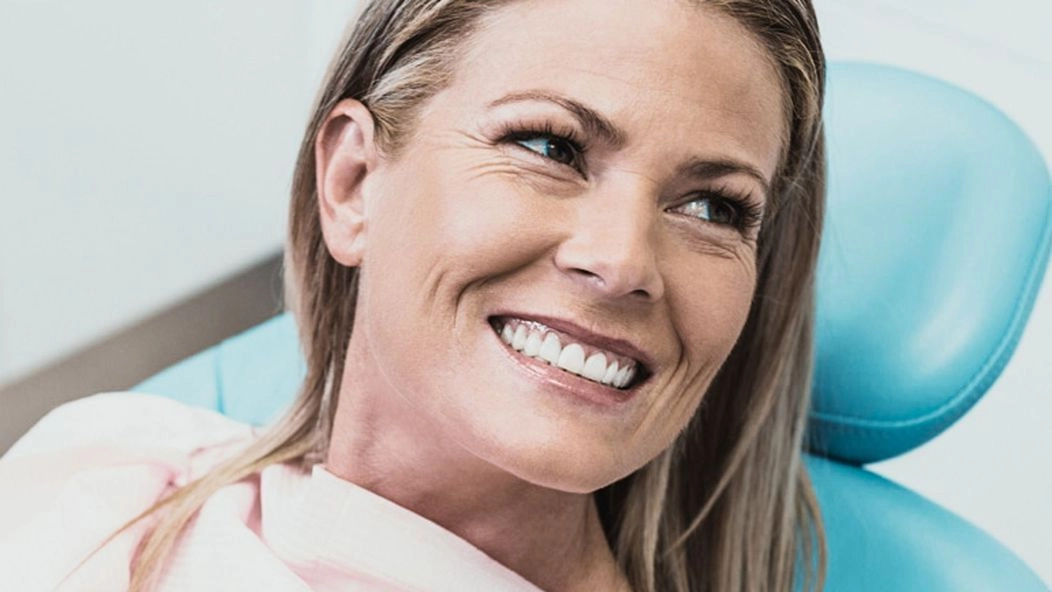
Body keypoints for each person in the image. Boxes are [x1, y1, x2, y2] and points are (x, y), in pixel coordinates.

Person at [0, 0, 826, 590]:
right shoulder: (108, 475)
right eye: (550, 146)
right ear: (353, 181)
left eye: (714, 207)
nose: (620, 261)